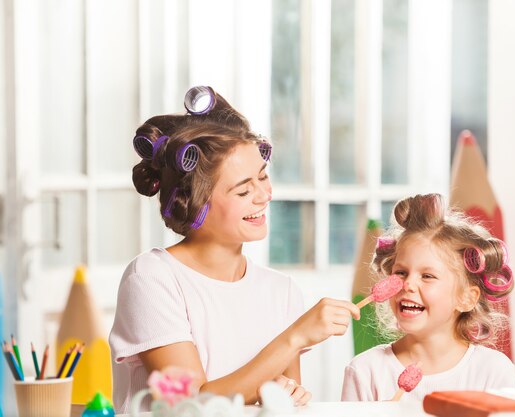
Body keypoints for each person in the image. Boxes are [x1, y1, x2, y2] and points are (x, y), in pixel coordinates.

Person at [109, 86, 360, 413]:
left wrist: (284, 393)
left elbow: (284, 402)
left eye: (263, 177)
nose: (263, 195)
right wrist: (296, 336)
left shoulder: (281, 292)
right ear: (195, 205)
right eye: (244, 191)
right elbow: (190, 405)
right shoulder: (152, 279)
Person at [341, 193, 515, 402]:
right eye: (401, 272)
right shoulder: (366, 371)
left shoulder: (492, 371)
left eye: (427, 276)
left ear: (466, 298)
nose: (408, 284)